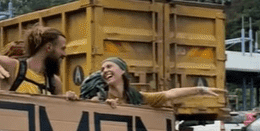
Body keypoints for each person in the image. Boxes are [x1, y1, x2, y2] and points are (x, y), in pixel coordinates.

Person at [0, 25, 67, 96]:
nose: (64, 54)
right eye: (62, 49)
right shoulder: (13, 68)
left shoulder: (54, 82)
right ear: (49, 47)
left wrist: (69, 102)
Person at [80, 56, 225, 107]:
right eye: (102, 69)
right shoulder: (99, 98)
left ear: (123, 71)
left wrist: (200, 90)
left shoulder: (137, 97)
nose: (105, 70)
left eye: (109, 66)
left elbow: (169, 94)